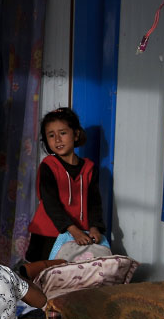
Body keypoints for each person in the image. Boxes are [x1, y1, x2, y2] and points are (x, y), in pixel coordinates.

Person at [26, 107, 110, 263]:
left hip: (81, 234)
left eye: (63, 133)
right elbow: (51, 204)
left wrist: (94, 227)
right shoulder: (48, 166)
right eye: (51, 135)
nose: (57, 139)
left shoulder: (89, 168)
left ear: (76, 134)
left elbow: (94, 203)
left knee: (75, 277)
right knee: (43, 276)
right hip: (48, 234)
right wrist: (73, 230)